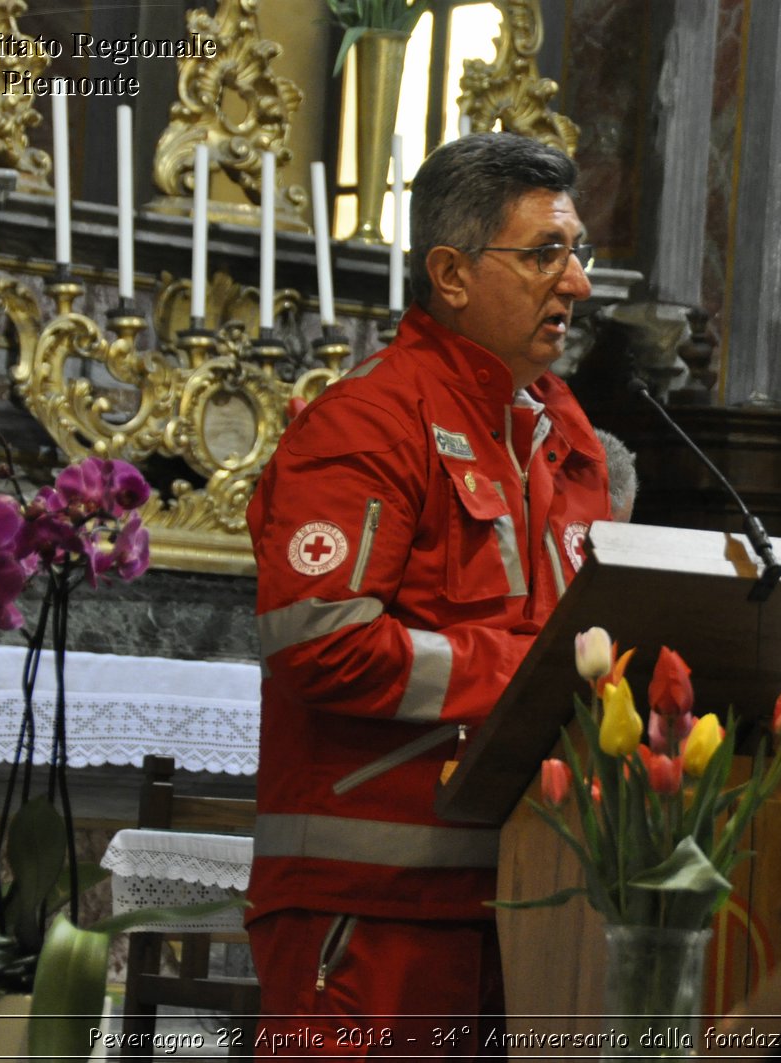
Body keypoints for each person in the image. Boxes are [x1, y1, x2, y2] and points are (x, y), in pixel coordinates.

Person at [245, 132, 611, 1056]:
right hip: (371, 902)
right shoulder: (367, 422)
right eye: (545, 255)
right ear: (450, 273)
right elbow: (318, 641)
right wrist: (535, 671)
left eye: (579, 253)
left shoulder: (566, 436)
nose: (577, 285)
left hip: (533, 896)